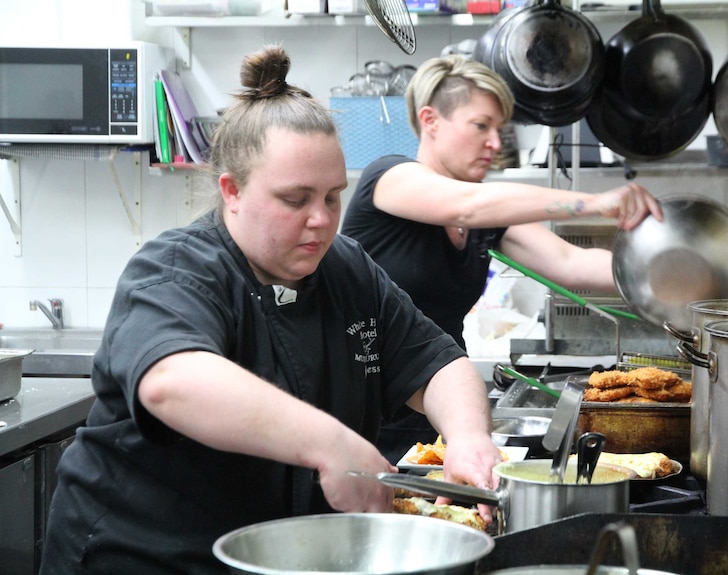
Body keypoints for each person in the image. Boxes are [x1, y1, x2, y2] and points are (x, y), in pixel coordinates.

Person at [40, 45, 502, 575]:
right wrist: (329, 443)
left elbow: (438, 363)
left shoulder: (346, 268)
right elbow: (172, 380)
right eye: (294, 199)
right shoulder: (178, 268)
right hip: (145, 556)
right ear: (232, 191)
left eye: (332, 197)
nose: (321, 220)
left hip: (276, 556)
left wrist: (467, 439)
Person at [341, 55, 664, 463]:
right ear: (431, 120)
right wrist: (595, 203)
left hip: (440, 408)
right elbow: (466, 206)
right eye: (481, 126)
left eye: (499, 128)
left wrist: (662, 277)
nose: (495, 143)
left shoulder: (482, 211)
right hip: (370, 412)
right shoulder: (389, 178)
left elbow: (569, 262)